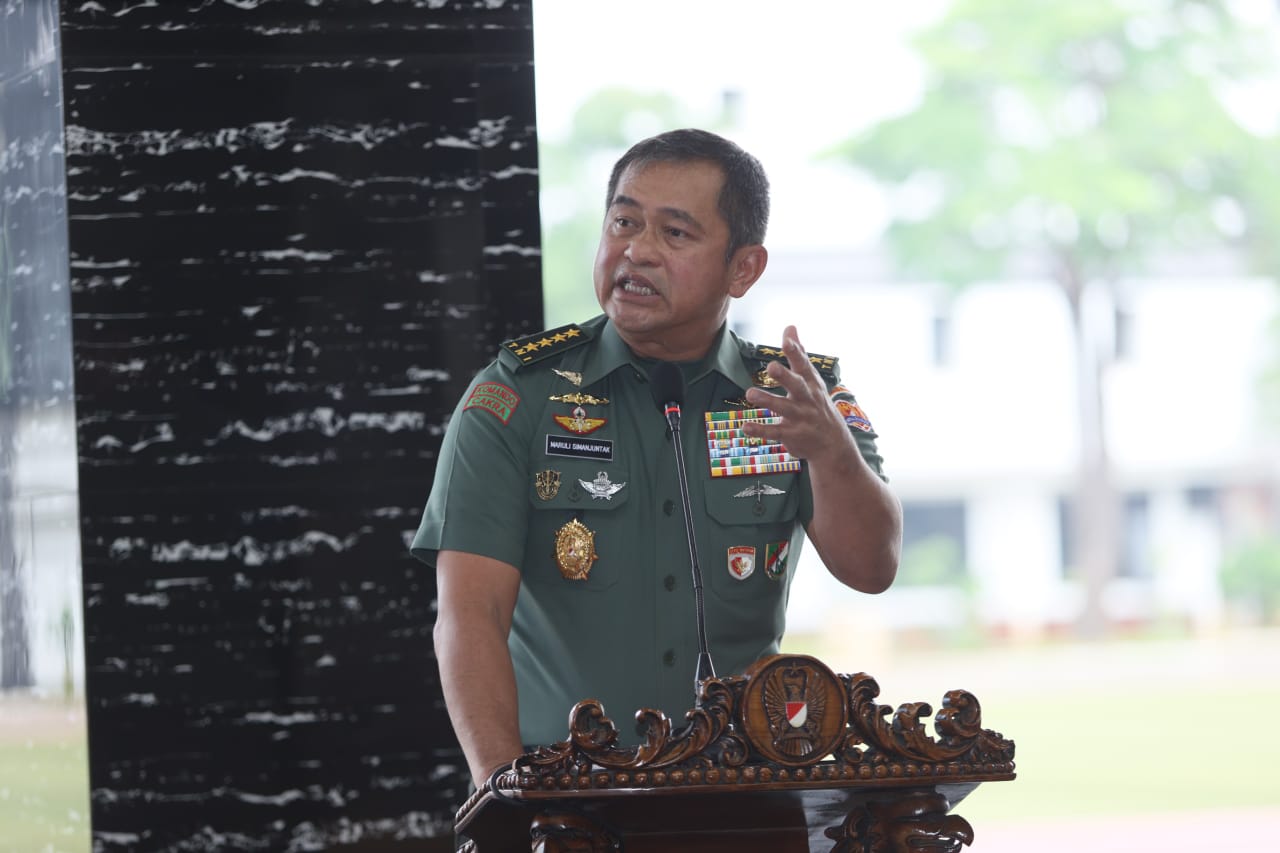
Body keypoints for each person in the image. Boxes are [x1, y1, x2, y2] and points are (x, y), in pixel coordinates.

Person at [413, 128, 901, 787]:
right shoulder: (517, 397)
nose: (636, 251)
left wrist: (830, 452)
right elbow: (471, 617)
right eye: (624, 222)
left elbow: (872, 568)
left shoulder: (794, 399)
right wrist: (506, 793)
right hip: (568, 791)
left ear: (743, 268)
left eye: (674, 233)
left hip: (741, 786)